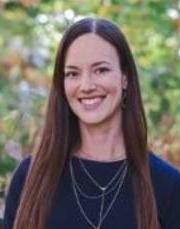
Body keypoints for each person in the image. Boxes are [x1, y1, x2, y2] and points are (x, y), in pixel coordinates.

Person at [3, 18, 180, 229]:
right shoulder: (30, 178)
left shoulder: (168, 186)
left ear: (124, 77)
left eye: (101, 70)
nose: (86, 85)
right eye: (73, 74)